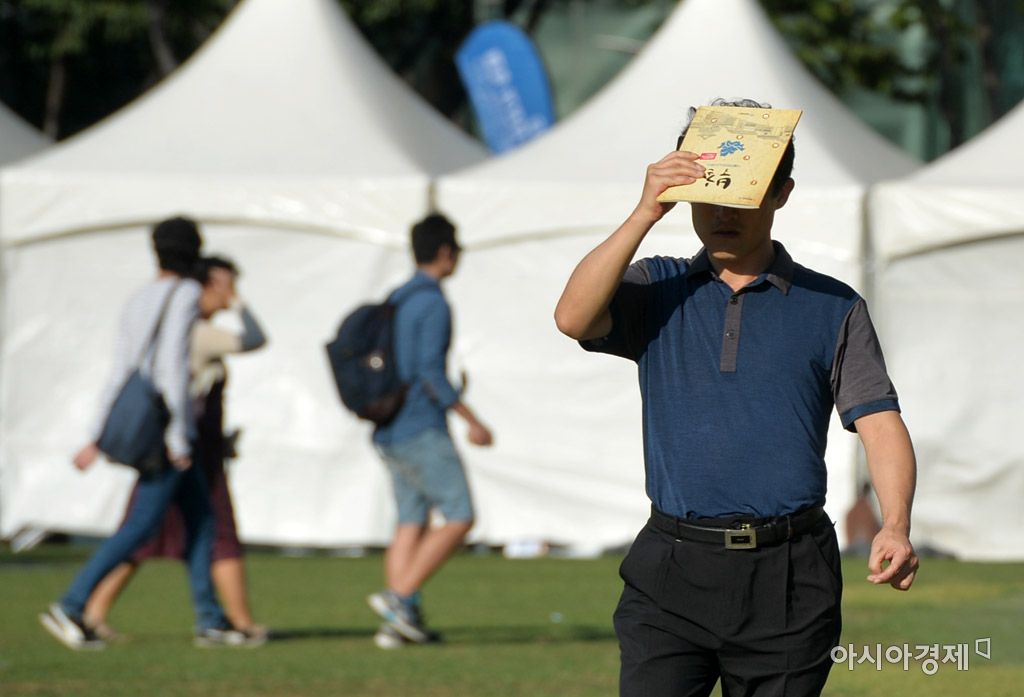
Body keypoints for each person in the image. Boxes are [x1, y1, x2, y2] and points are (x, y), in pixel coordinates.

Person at [554, 98, 919, 696]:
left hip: (791, 575)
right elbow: (572, 318)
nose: (722, 213)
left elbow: (879, 421)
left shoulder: (834, 306)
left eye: (741, 195)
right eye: (709, 195)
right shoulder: (657, 286)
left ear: (781, 194)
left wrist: (896, 525)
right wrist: (645, 211)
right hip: (669, 569)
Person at [40, 217, 257, 650]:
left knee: (201, 520)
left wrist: (98, 434)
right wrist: (179, 437)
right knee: (141, 525)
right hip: (167, 428)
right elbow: (172, 367)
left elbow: (120, 370)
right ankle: (71, 603)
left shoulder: (139, 297)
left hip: (146, 422)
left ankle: (211, 620)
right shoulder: (186, 293)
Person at [82, 256, 268, 642]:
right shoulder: (198, 331)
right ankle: (75, 605)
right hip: (184, 449)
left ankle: (96, 611)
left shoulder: (180, 326)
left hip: (187, 446)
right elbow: (254, 339)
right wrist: (240, 305)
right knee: (201, 529)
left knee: (168, 529)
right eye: (225, 286)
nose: (229, 293)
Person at [366, 212, 494, 648]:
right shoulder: (433, 302)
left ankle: (398, 626)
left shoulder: (398, 296)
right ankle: (398, 598)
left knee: (411, 519)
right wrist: (472, 420)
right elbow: (429, 373)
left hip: (388, 427)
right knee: (460, 515)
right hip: (420, 425)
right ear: (444, 251)